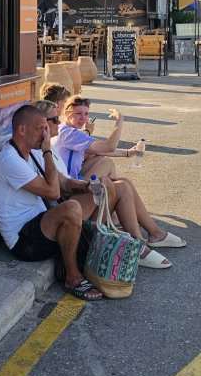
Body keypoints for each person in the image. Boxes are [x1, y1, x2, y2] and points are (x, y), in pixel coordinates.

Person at [0, 103, 103, 301]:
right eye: (40, 128)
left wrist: (89, 187)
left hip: (41, 223)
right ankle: (72, 277)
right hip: (24, 241)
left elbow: (64, 183)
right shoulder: (9, 159)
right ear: (22, 130)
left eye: (45, 128)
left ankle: (123, 247)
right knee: (72, 207)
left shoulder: (32, 152)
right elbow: (52, 192)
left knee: (105, 189)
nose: (45, 133)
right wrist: (48, 151)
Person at [54, 95, 184, 268]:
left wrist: (128, 153)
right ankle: (138, 245)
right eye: (79, 114)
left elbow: (96, 152)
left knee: (123, 180)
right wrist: (119, 121)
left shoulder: (70, 132)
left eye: (86, 114)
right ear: (66, 112)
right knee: (119, 183)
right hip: (70, 196)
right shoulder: (68, 133)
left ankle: (154, 233)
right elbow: (108, 147)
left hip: (72, 187)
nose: (83, 118)